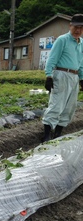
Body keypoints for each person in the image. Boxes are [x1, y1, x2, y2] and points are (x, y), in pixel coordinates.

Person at [42, 14, 83, 142]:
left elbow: (80, 63)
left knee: (70, 107)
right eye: (76, 27)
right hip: (61, 74)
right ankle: (46, 135)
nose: (78, 30)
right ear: (70, 26)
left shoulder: (81, 43)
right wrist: (49, 76)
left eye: (81, 28)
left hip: (74, 77)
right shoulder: (62, 40)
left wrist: (82, 79)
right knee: (56, 105)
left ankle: (58, 133)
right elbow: (52, 59)